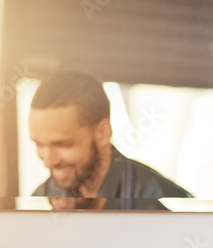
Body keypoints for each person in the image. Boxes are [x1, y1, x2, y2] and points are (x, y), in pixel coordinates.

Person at [28, 70, 191, 210]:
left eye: (63, 144)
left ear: (103, 133)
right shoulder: (39, 199)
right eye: (39, 144)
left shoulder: (162, 201)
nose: (48, 161)